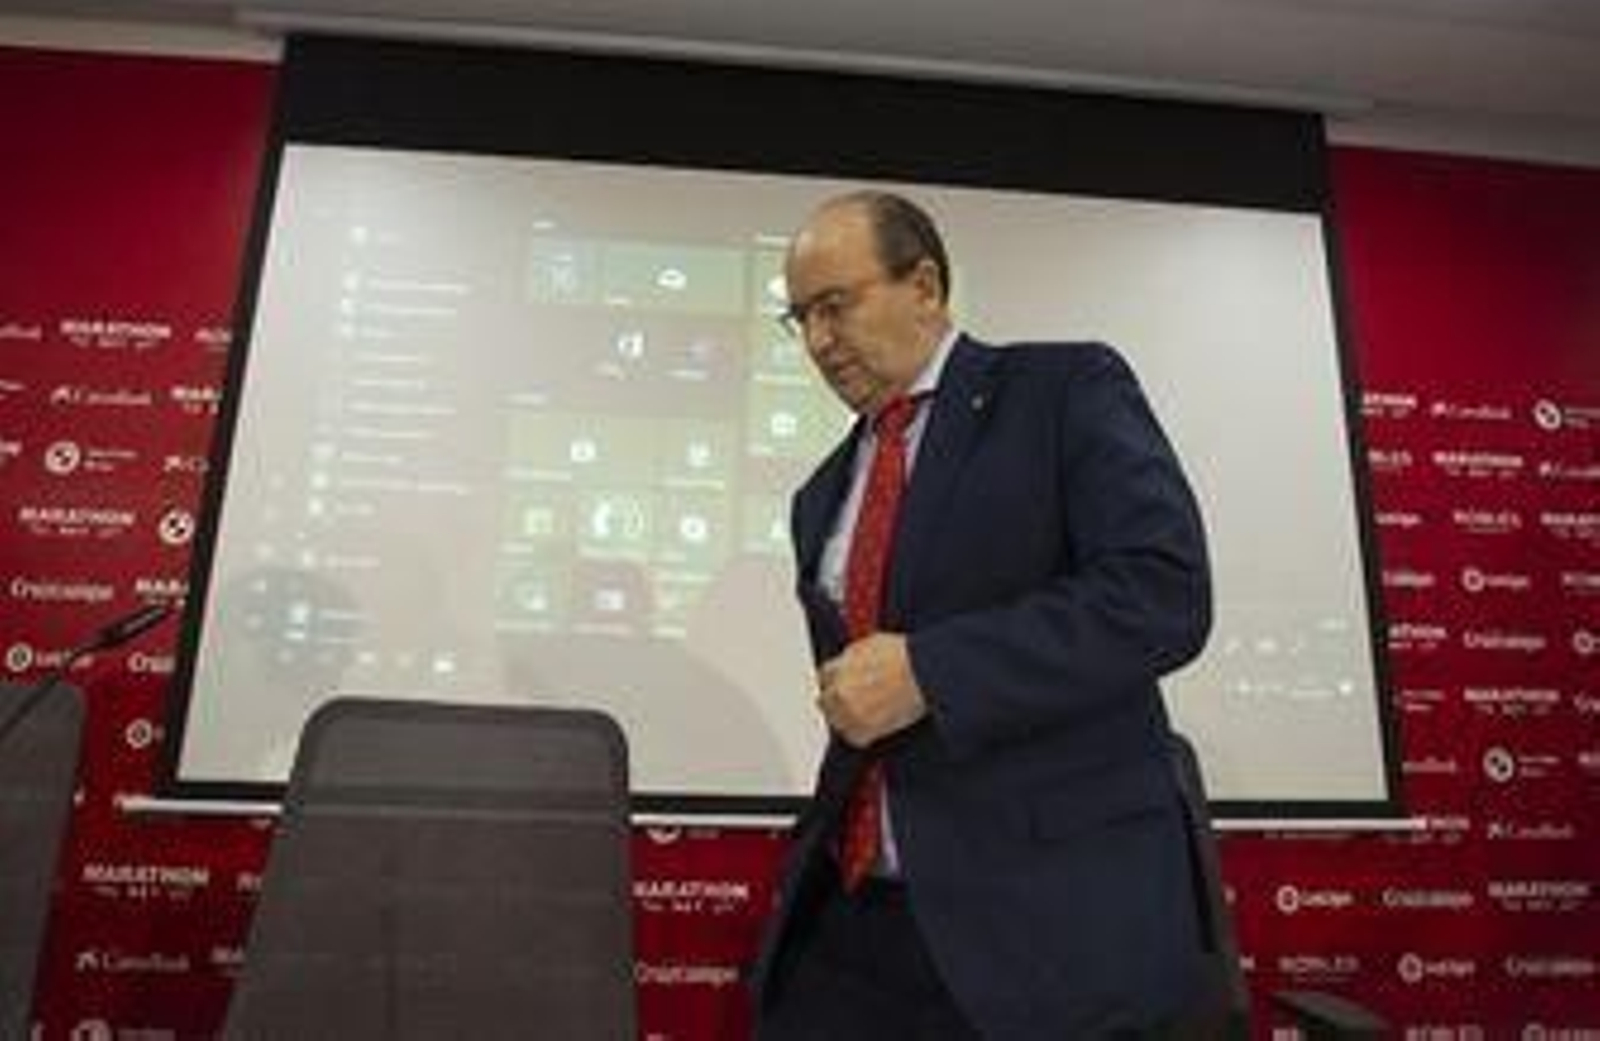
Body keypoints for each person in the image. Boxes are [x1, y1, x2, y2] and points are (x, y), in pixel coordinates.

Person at [747, 190, 1216, 1039]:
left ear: (923, 285)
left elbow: (1162, 592)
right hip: (856, 928)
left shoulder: (1062, 389)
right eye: (799, 319)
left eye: (835, 306)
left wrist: (932, 669)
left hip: (1043, 932)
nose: (817, 342)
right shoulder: (820, 494)